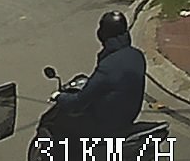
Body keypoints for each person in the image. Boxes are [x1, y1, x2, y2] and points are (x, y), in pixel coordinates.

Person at [51, 11, 145, 140]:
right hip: (129, 115)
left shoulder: (107, 67)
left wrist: (60, 97)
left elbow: (79, 101)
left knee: (64, 124)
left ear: (103, 33)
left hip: (107, 121)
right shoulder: (137, 55)